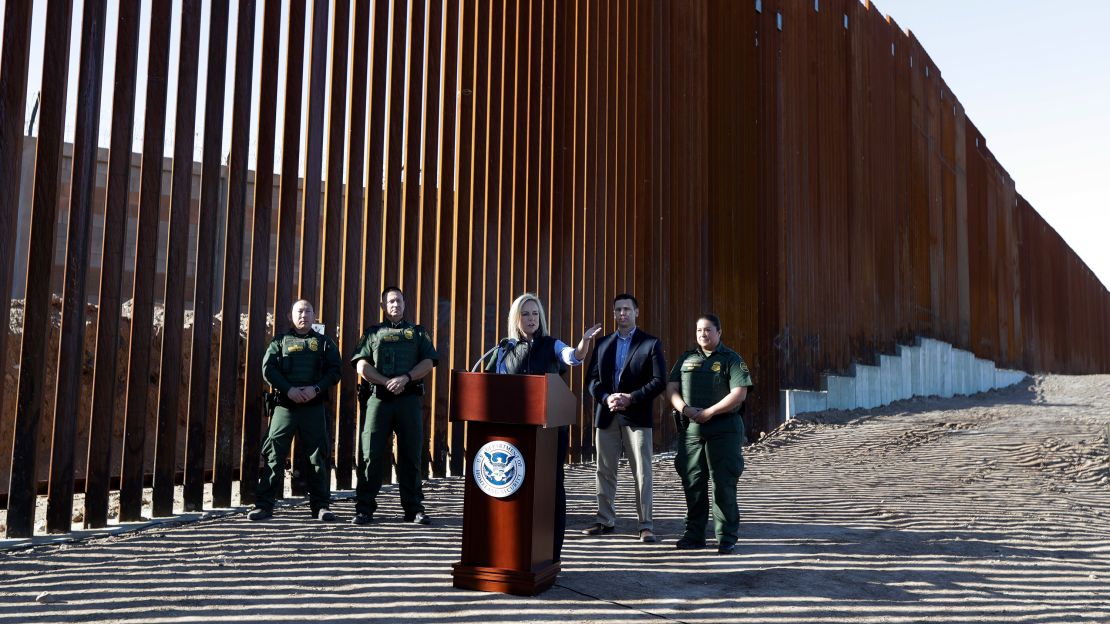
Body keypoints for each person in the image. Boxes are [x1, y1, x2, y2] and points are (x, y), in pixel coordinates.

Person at [489, 292, 602, 562]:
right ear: (516, 318)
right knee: (517, 489)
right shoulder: (504, 348)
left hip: (549, 433)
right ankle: (514, 549)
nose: (531, 319)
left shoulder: (551, 344)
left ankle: (551, 553)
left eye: (535, 314)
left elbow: (572, 357)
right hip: (514, 434)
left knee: (549, 490)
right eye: (526, 314)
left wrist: (584, 343)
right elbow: (489, 384)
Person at [349, 287, 439, 525]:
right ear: (383, 306)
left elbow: (429, 362)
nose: (395, 305)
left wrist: (406, 378)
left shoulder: (417, 333)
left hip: (408, 399)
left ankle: (414, 509)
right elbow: (361, 365)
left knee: (411, 454)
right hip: (379, 399)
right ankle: (364, 508)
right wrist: (385, 381)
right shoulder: (372, 333)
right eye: (390, 301)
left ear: (405, 303)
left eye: (398, 300)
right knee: (371, 454)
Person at [581, 294, 666, 542]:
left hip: (637, 417)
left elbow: (659, 381)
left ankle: (645, 525)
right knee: (604, 470)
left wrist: (631, 398)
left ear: (636, 312)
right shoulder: (603, 343)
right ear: (614, 313)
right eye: (618, 310)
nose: (622, 314)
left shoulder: (650, 343)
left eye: (627, 309)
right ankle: (605, 521)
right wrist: (606, 397)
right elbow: (591, 381)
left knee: (642, 471)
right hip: (607, 415)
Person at [248, 299, 343, 521]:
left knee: (318, 456)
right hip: (285, 405)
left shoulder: (324, 343)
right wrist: (288, 389)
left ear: (314, 316)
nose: (304, 315)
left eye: (308, 311)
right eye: (299, 311)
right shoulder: (280, 342)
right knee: (273, 453)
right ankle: (264, 505)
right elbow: (268, 369)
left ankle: (321, 506)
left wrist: (316, 388)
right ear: (290, 316)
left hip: (313, 405)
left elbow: (335, 371)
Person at [666, 314, 752, 554]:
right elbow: (672, 388)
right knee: (693, 482)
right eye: (699, 330)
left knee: (723, 483)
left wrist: (711, 412)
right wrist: (684, 409)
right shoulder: (686, 358)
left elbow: (739, 393)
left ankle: (726, 537)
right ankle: (694, 535)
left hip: (724, 429)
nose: (703, 334)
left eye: (707, 330)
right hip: (692, 430)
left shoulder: (731, 359)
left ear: (719, 332)